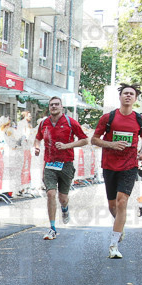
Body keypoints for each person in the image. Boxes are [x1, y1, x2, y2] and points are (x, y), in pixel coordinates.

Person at [91, 84, 142, 259]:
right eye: (125, 93)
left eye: (131, 94)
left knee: (122, 201)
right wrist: (112, 144)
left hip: (129, 165)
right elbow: (94, 140)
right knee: (112, 205)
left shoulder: (140, 120)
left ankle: (113, 245)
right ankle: (120, 224)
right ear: (120, 97)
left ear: (135, 99)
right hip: (109, 165)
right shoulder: (108, 118)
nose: (128, 96)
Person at [34, 96, 88, 240]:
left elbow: (84, 140)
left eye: (57, 104)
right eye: (52, 105)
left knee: (62, 197)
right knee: (51, 194)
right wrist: (37, 147)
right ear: (49, 107)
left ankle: (64, 208)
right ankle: (52, 228)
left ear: (62, 107)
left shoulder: (71, 122)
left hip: (66, 164)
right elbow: (37, 138)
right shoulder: (43, 123)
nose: (54, 107)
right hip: (49, 164)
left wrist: (67, 146)